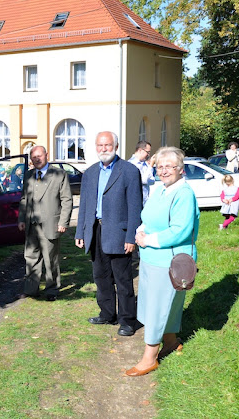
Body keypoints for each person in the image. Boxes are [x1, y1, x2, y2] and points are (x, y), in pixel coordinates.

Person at [128, 146, 199, 376]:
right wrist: (140, 231)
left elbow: (180, 230)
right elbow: (147, 217)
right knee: (159, 304)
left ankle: (150, 358)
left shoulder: (184, 194)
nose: (164, 170)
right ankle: (171, 342)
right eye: (160, 166)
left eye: (169, 166)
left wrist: (148, 240)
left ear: (180, 169)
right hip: (151, 258)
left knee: (157, 308)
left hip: (170, 261)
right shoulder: (160, 189)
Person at [75, 131, 142, 337]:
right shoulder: (90, 173)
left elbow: (135, 207)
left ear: (116, 146)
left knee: (123, 279)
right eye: (100, 145)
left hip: (119, 233)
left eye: (107, 145)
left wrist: (131, 237)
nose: (103, 149)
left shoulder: (129, 171)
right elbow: (84, 205)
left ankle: (127, 320)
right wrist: (80, 231)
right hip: (95, 230)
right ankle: (107, 313)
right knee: (101, 276)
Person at [17, 146, 73, 300]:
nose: (37, 159)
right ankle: (31, 289)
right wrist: (21, 218)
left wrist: (63, 222)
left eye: (39, 156)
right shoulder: (28, 175)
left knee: (51, 260)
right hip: (31, 224)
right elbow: (24, 198)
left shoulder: (59, 174)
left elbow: (67, 199)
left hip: (51, 223)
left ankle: (51, 290)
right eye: (34, 157)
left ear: (46, 155)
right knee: (31, 257)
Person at [128, 141, 155, 205]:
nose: (148, 155)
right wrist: (151, 165)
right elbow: (143, 180)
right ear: (140, 150)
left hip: (145, 201)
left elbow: (152, 181)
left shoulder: (145, 164)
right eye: (147, 152)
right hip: (136, 202)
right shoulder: (131, 164)